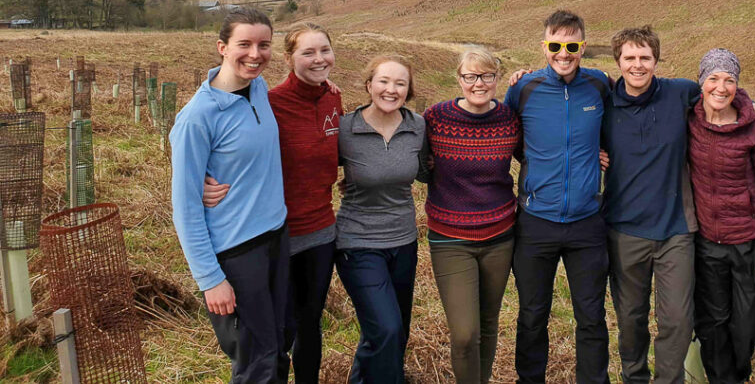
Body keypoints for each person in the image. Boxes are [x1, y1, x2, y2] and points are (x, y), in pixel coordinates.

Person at [601, 28, 755, 384]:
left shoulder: (677, 93)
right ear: (618, 62)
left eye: (645, 58)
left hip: (678, 233)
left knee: (678, 321)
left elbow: (723, 92)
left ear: (657, 61)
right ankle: (635, 378)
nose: (638, 65)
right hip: (625, 230)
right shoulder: (604, 99)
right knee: (631, 320)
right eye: (630, 58)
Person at [202, 22, 345, 383]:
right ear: (288, 58)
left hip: (321, 231)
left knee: (310, 322)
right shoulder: (269, 99)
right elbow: (217, 115)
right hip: (272, 235)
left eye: (324, 50)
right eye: (307, 52)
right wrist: (202, 177)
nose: (319, 59)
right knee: (277, 330)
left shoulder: (333, 98)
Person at [170, 7, 290, 383]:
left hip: (275, 237)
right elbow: (185, 207)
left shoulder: (259, 88)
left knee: (279, 346)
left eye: (264, 45)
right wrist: (209, 279)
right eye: (244, 44)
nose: (255, 54)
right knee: (257, 360)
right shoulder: (198, 117)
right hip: (236, 252)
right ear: (222, 47)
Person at [504, 9, 611, 384]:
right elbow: (505, 136)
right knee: (532, 315)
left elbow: (631, 114)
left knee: (592, 316)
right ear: (544, 46)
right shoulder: (523, 88)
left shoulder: (600, 85)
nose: (562, 54)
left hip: (587, 223)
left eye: (571, 46)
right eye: (555, 45)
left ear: (583, 47)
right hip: (536, 222)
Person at [423, 46, 521, 384]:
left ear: (497, 78)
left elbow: (539, 153)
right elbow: (414, 163)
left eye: (486, 76)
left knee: (489, 324)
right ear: (459, 79)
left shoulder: (509, 117)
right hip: (450, 239)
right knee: (465, 333)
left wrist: (592, 152)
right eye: (470, 76)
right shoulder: (435, 117)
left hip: (500, 237)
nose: (478, 84)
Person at [688, 48, 755, 384]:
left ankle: (739, 371)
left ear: (737, 86)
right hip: (706, 244)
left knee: (748, 325)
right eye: (713, 78)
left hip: (749, 242)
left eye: (729, 80)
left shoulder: (754, 128)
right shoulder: (688, 116)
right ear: (701, 83)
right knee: (712, 324)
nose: (721, 87)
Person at [334, 54, 430, 383]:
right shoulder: (346, 128)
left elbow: (431, 170)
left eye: (400, 83)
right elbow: (307, 166)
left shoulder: (418, 127)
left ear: (409, 90)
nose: (391, 90)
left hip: (404, 243)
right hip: (358, 244)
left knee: (393, 332)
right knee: (386, 328)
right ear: (368, 85)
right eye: (384, 81)